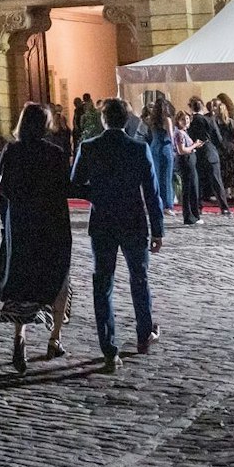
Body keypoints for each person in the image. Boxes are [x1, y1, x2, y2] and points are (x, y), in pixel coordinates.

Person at [69, 99, 164, 373]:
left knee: (103, 285)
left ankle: (109, 350)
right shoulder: (139, 148)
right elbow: (152, 193)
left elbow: (75, 185)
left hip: (103, 222)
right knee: (139, 279)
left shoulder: (89, 147)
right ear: (126, 121)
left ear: (103, 120)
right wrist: (158, 229)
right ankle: (144, 335)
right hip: (134, 221)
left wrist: (97, 194)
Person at [0, 103, 73, 372]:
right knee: (59, 279)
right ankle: (55, 339)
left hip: (22, 225)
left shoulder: (11, 151)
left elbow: (2, 190)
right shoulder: (54, 153)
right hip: (51, 226)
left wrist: (6, 223)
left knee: (23, 283)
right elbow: (66, 188)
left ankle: (20, 337)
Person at [145, 95, 177, 213]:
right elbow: (171, 136)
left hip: (154, 147)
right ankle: (167, 204)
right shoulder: (167, 119)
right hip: (165, 147)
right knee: (167, 177)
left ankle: (157, 202)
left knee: (157, 176)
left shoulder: (152, 120)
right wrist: (174, 150)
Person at [173, 115, 203, 226]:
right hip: (186, 162)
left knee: (192, 188)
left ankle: (194, 215)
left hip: (190, 161)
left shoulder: (184, 133)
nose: (185, 121)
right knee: (189, 189)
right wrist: (194, 145)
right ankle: (189, 216)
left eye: (187, 119)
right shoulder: (179, 133)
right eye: (182, 119)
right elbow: (181, 150)